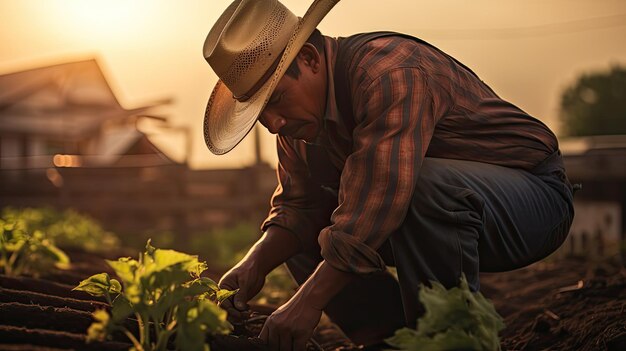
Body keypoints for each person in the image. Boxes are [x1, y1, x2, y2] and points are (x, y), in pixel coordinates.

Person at [201, 0, 575, 350]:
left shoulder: (390, 72)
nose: (273, 124)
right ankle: (389, 339)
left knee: (421, 185)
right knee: (308, 234)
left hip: (532, 200)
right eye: (260, 114)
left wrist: (308, 302)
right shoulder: (296, 126)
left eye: (276, 100)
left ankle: (448, 337)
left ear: (311, 59)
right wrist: (254, 262)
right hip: (442, 214)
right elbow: (298, 208)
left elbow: (381, 196)